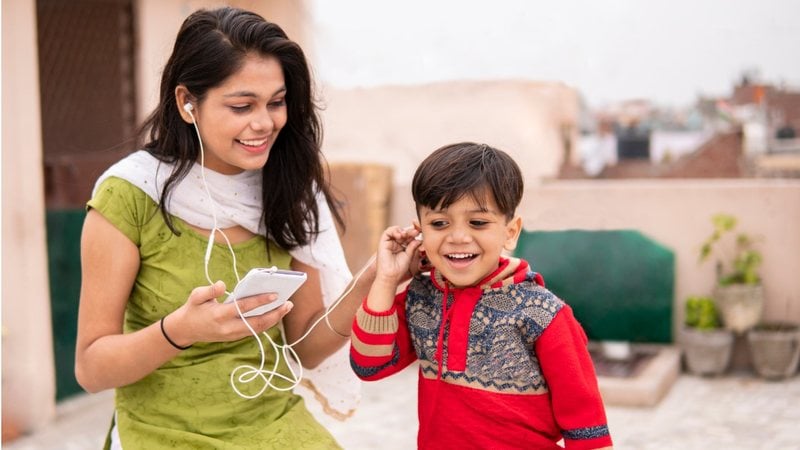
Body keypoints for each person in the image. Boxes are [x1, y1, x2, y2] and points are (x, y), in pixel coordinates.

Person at [75, 6, 373, 449]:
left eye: (276, 102)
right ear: (186, 103)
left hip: (271, 425)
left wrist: (374, 278)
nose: (264, 123)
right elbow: (92, 369)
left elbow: (307, 348)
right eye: (241, 106)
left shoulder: (288, 186)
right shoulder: (130, 194)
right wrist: (182, 330)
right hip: (161, 433)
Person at [349, 142, 614, 449]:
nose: (458, 237)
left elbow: (587, 425)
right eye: (439, 223)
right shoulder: (421, 298)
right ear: (420, 230)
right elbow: (369, 365)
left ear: (510, 232)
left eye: (478, 222)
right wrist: (386, 278)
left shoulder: (543, 313)